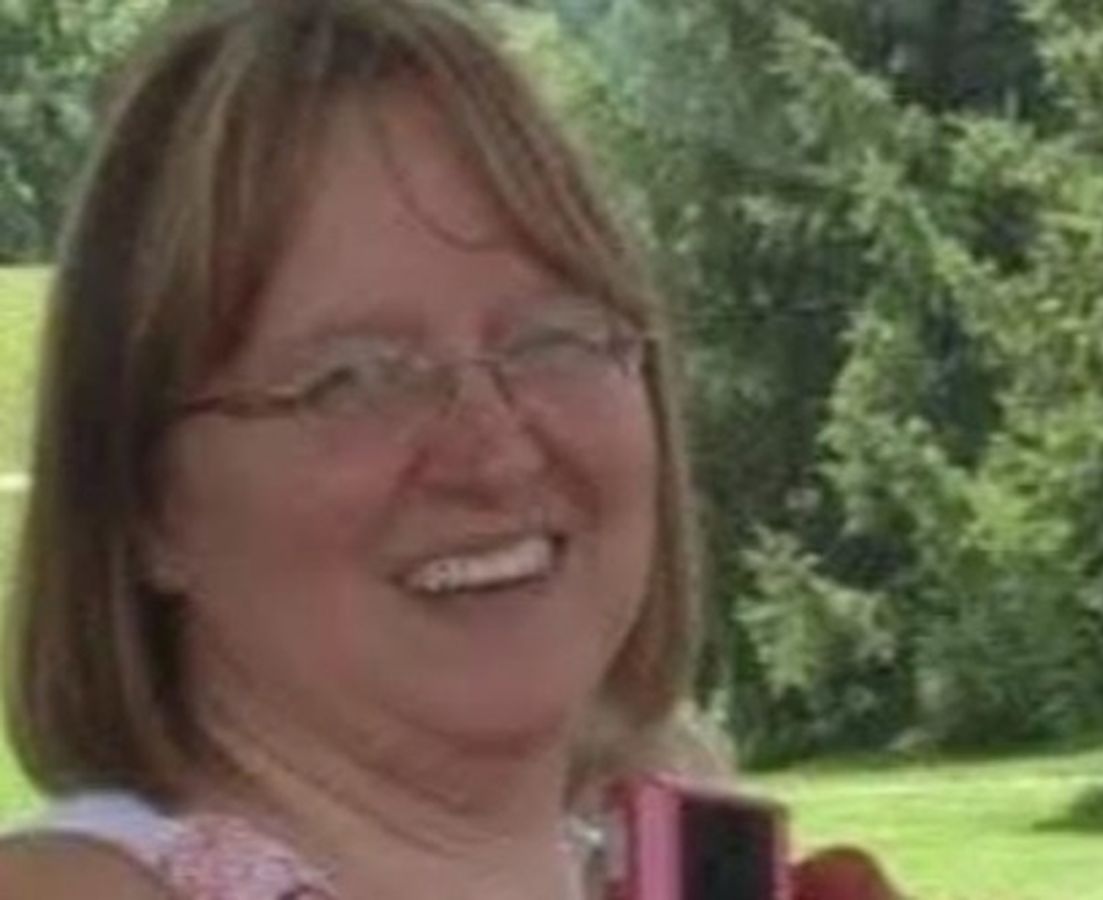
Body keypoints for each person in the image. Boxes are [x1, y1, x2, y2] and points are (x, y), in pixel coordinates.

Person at [0, 0, 705, 896]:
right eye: (354, 380)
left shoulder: (693, 864)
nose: (496, 453)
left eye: (553, 340)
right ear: (146, 505)